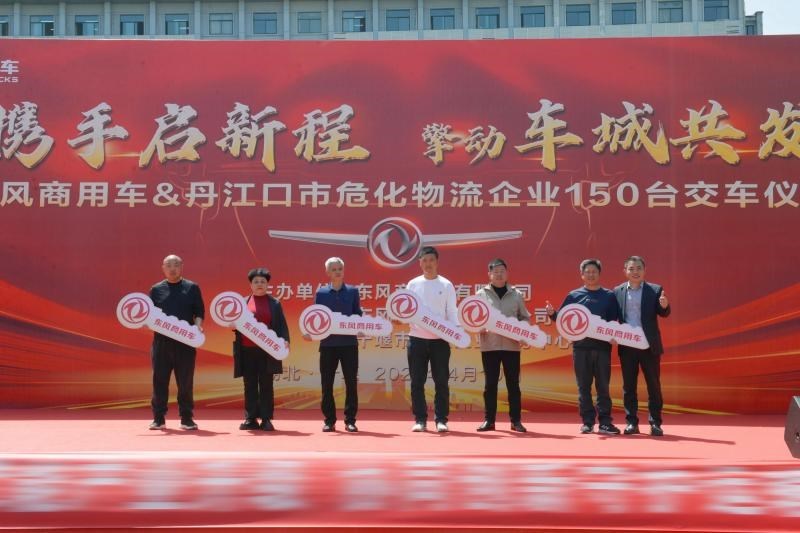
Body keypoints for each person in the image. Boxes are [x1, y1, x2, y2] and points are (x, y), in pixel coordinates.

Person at [545, 258, 621, 435]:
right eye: (587, 272)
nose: (591, 275)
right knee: (583, 387)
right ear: (582, 275)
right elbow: (562, 318)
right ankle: (587, 422)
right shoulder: (574, 296)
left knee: (603, 387)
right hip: (581, 348)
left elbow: (614, 321)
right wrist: (552, 314)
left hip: (602, 348)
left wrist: (615, 335)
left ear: (599, 274)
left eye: (594, 272)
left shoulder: (609, 296)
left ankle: (605, 422)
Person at [614, 256, 671, 437]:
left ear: (644, 270)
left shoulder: (655, 290)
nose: (635, 272)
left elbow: (664, 313)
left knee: (653, 385)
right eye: (631, 269)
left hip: (649, 346)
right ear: (625, 271)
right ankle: (632, 423)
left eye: (639, 268)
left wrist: (665, 306)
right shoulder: (617, 291)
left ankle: (655, 423)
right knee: (629, 386)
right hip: (627, 345)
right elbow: (612, 317)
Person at [148, 254, 205, 430]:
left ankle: (186, 418)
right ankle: (158, 418)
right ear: (163, 268)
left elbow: (199, 312)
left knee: (185, 382)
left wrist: (197, 327)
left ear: (181, 267)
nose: (172, 268)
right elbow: (148, 315)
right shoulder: (156, 289)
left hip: (185, 342)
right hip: (161, 343)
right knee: (159, 380)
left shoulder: (192, 288)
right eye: (169, 265)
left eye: (176, 265)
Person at [406, 246, 458, 433]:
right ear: (420, 263)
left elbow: (452, 312)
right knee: (417, 382)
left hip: (440, 341)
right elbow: (406, 309)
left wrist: (456, 333)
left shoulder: (446, 285)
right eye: (424, 260)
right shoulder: (413, 284)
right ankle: (420, 420)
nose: (428, 264)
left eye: (431, 260)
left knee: (441, 381)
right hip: (417, 339)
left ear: (437, 262)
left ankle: (441, 419)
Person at [475, 258, 531, 433]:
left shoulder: (516, 294)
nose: (499, 274)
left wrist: (523, 332)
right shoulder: (480, 294)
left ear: (507, 274)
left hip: (511, 346)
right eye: (495, 271)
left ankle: (516, 421)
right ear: (489, 274)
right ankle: (489, 420)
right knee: (490, 385)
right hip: (489, 345)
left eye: (502, 271)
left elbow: (524, 317)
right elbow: (474, 318)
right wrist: (478, 327)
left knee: (513, 385)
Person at [236, 268, 290, 431]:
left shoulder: (275, 303)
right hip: (247, 349)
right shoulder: (243, 303)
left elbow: (281, 325)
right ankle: (250, 418)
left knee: (266, 384)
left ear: (267, 285)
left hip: (268, 350)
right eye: (256, 282)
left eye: (263, 282)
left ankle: (266, 418)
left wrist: (285, 340)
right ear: (251, 285)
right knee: (249, 384)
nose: (259, 284)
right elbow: (236, 323)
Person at [313, 257, 362, 433]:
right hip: (328, 345)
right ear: (327, 272)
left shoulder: (352, 291)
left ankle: (350, 420)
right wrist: (310, 332)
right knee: (327, 384)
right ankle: (329, 420)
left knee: (351, 383)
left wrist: (360, 326)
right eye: (333, 269)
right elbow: (315, 317)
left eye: (340, 268)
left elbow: (358, 314)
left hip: (349, 344)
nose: (337, 272)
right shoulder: (321, 293)